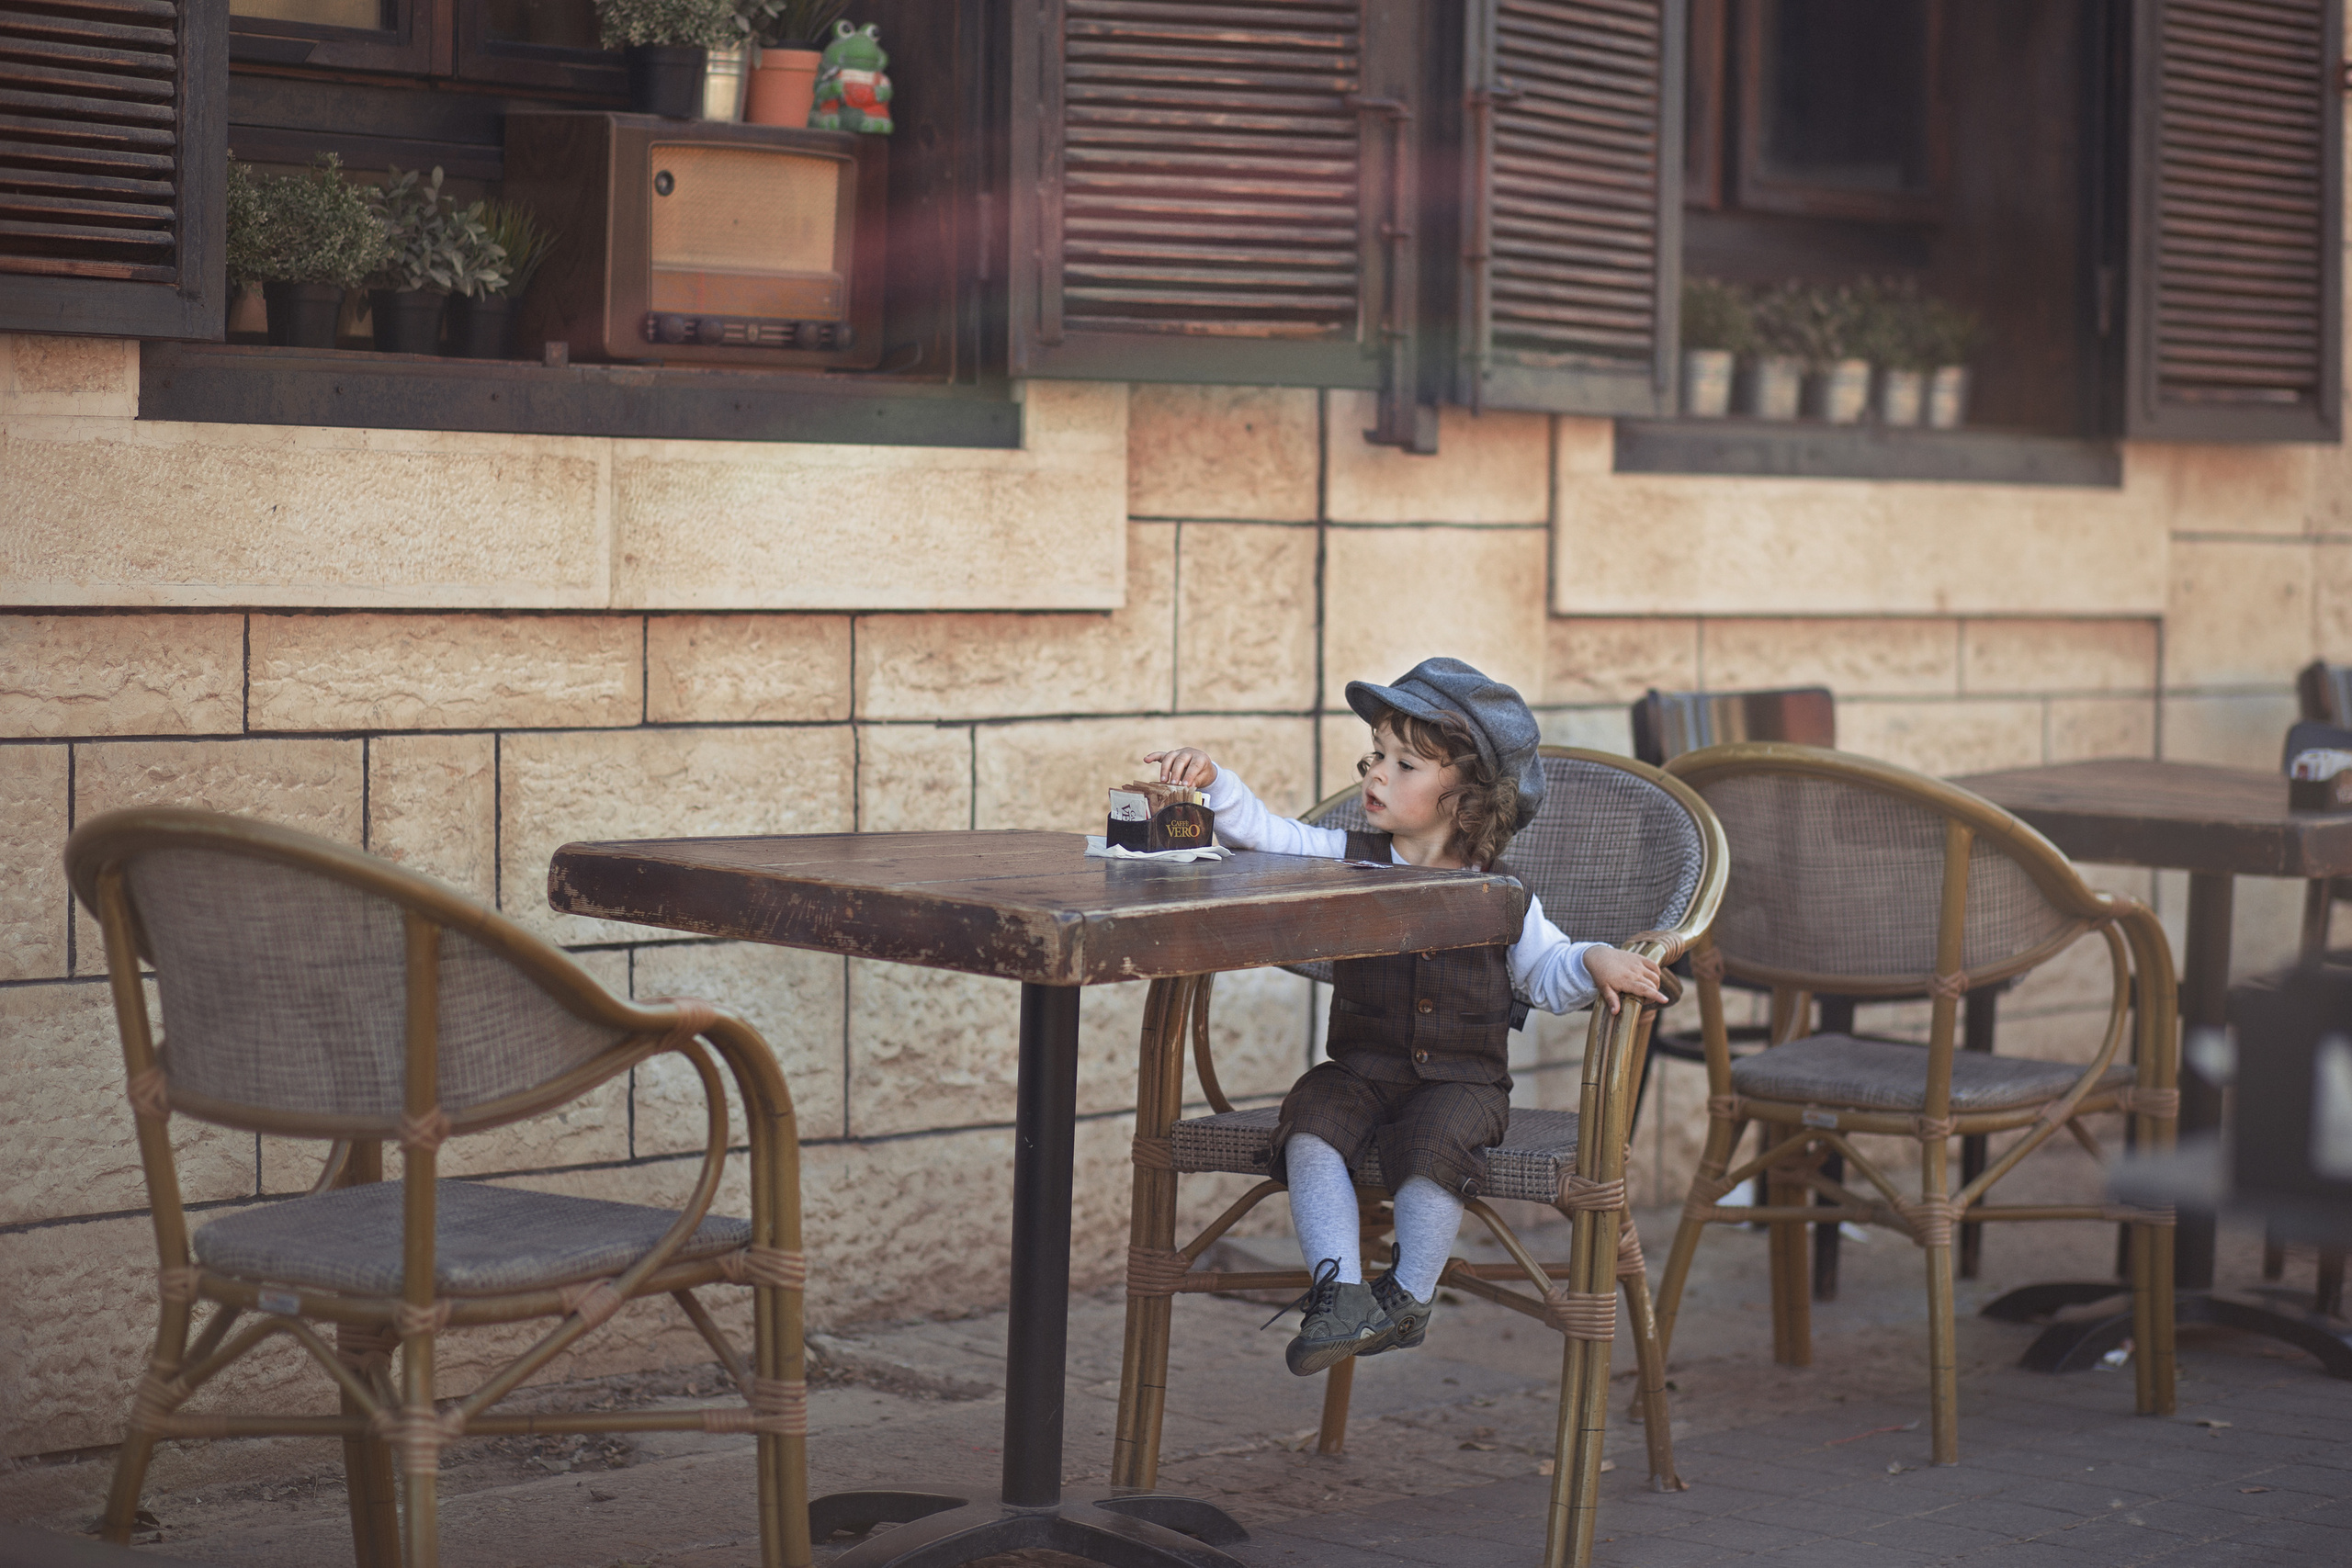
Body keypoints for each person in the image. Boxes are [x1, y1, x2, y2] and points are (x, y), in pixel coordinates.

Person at [1146, 658, 1667, 1375]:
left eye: (1406, 764)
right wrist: (1217, 784)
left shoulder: (1501, 895)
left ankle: (1409, 1297)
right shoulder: (1348, 860)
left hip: (1462, 1083)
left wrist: (1598, 958)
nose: (1377, 776)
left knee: (1433, 1148)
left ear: (1467, 798)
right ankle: (1342, 1296)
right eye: (1375, 757)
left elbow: (1549, 971)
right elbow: (1269, 836)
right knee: (1310, 1122)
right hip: (1361, 1071)